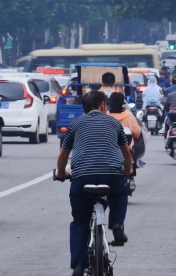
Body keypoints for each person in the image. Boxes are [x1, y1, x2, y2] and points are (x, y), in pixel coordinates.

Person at [56, 91, 132, 276]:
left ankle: (78, 266)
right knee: (120, 193)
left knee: (80, 222)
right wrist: (127, 171)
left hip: (82, 177)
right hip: (111, 176)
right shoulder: (114, 122)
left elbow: (63, 154)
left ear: (84, 108)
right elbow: (126, 154)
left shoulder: (75, 124)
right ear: (103, 106)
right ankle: (117, 225)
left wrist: (60, 173)